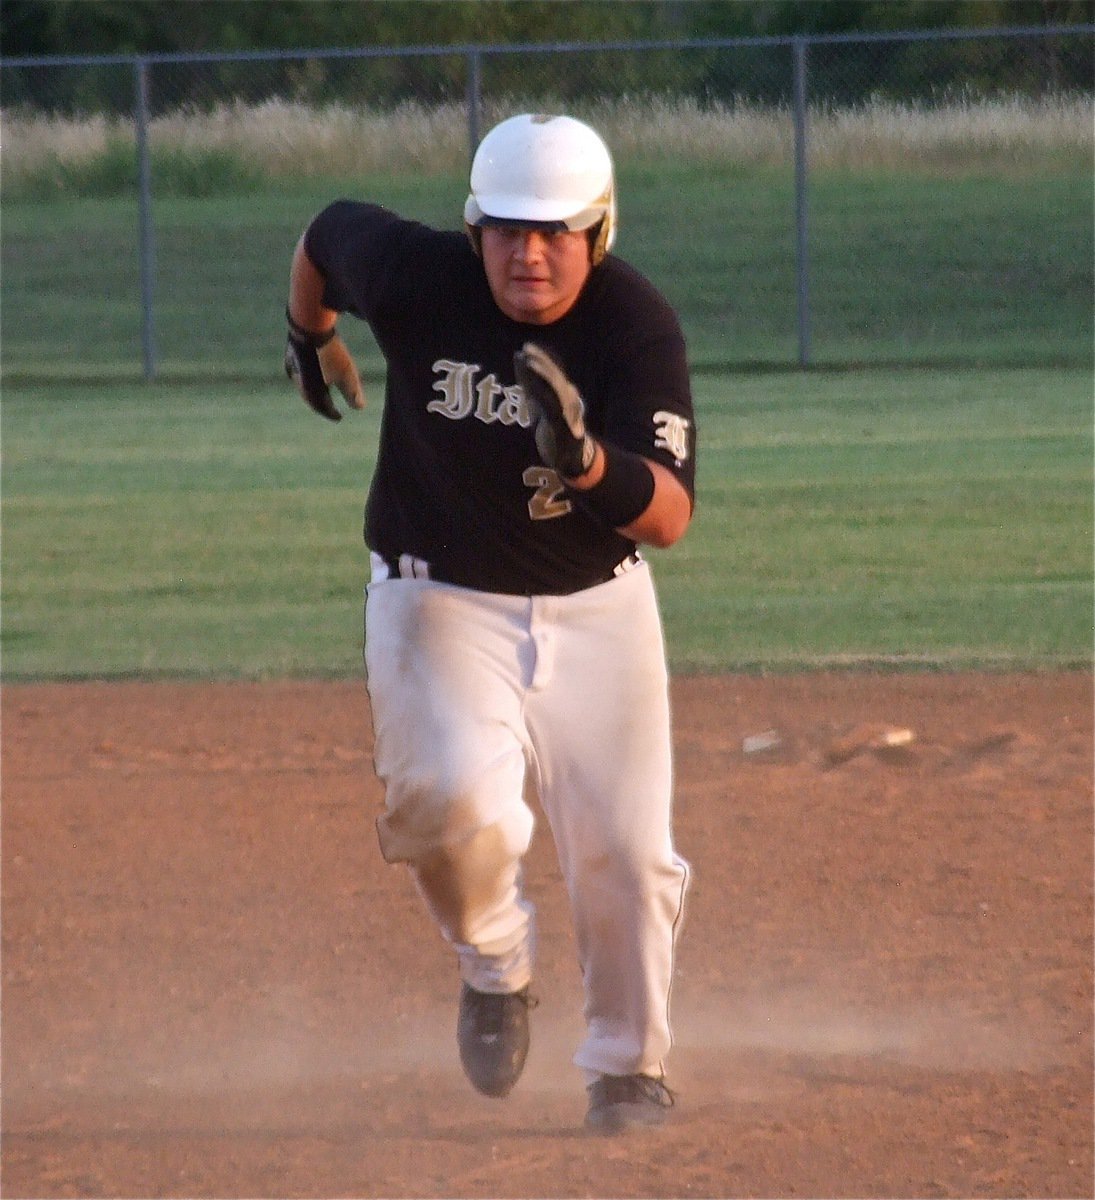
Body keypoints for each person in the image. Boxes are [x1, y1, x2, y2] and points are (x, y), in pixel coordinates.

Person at [284, 112, 696, 1135]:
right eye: (508, 228)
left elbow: (672, 515)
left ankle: (627, 1070)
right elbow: (327, 234)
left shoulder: (632, 324)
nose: (531, 251)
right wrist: (311, 333)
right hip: (438, 597)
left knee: (628, 856)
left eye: (558, 230)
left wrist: (588, 464)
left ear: (599, 233)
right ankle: (496, 960)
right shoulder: (422, 279)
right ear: (474, 231)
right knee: (448, 807)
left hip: (598, 607)